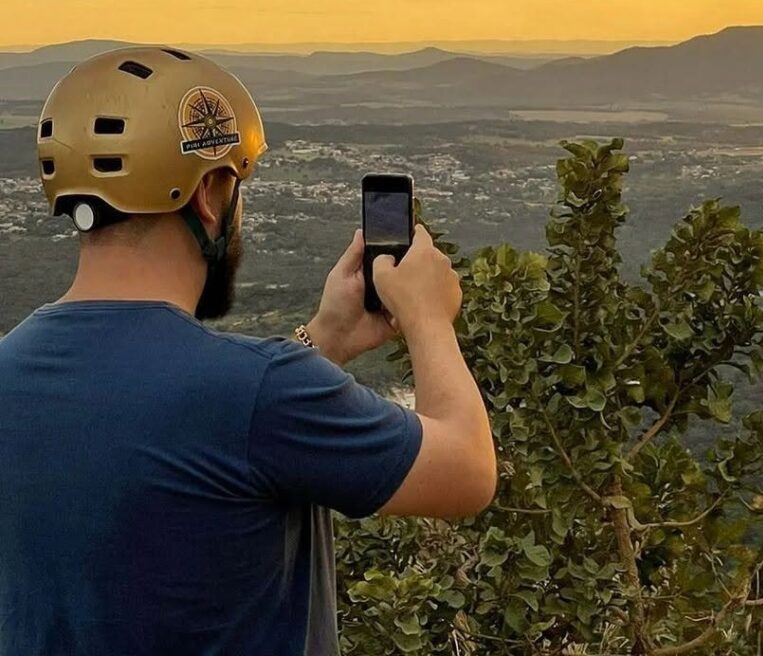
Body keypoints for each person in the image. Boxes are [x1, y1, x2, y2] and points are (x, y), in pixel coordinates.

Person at [0, 46, 496, 656]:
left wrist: (326, 341)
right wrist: (427, 316)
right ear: (209, 193)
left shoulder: (10, 367)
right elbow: (468, 471)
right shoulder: (260, 391)